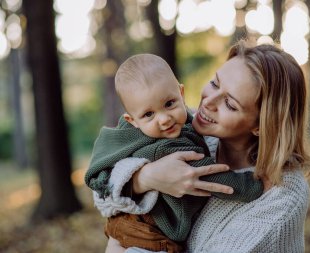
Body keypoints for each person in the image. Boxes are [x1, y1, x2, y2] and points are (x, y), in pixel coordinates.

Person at [95, 41, 310, 253]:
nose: (208, 102)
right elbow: (101, 192)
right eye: (215, 83)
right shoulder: (186, 131)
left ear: (262, 125)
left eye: (229, 104)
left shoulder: (282, 194)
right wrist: (145, 178)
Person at [84, 54, 264, 252]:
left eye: (169, 104)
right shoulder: (168, 146)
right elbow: (209, 175)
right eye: (148, 114)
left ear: (181, 93)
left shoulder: (191, 123)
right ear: (132, 121)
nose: (164, 119)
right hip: (147, 233)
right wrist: (253, 185)